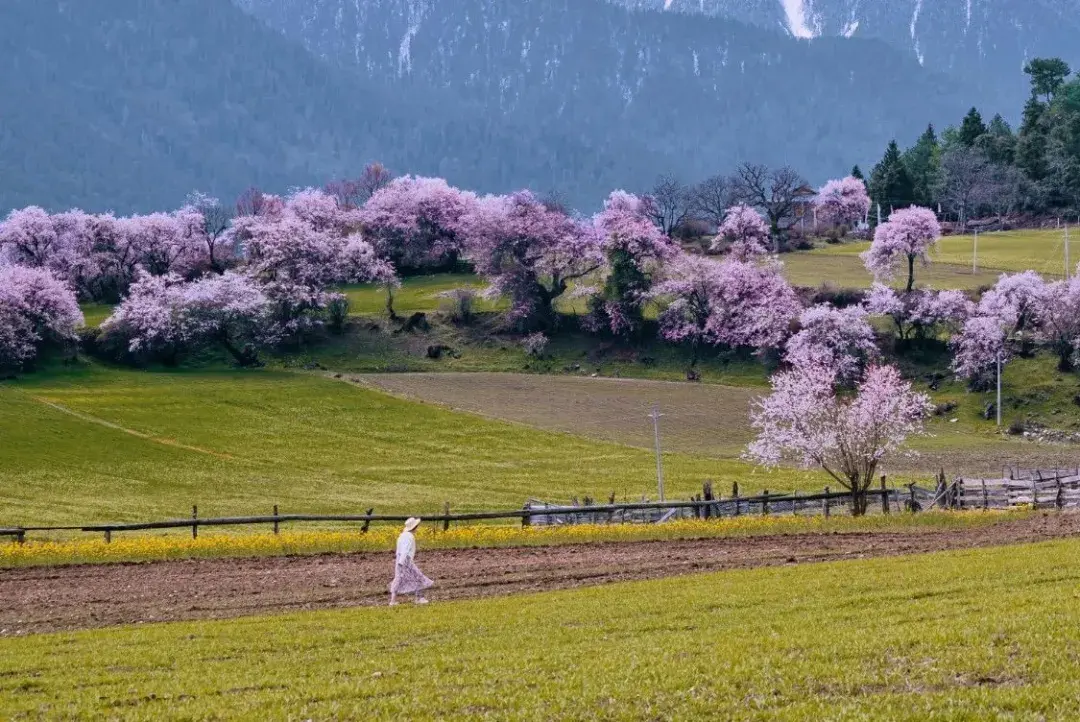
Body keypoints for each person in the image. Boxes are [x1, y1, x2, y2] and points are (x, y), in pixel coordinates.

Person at [389, 517, 434, 605]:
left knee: (399, 578)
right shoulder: (409, 536)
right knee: (417, 576)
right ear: (415, 527)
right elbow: (405, 550)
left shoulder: (402, 535)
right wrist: (402, 562)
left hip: (400, 558)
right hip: (405, 560)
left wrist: (399, 561)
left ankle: (393, 600)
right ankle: (420, 598)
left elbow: (399, 550)